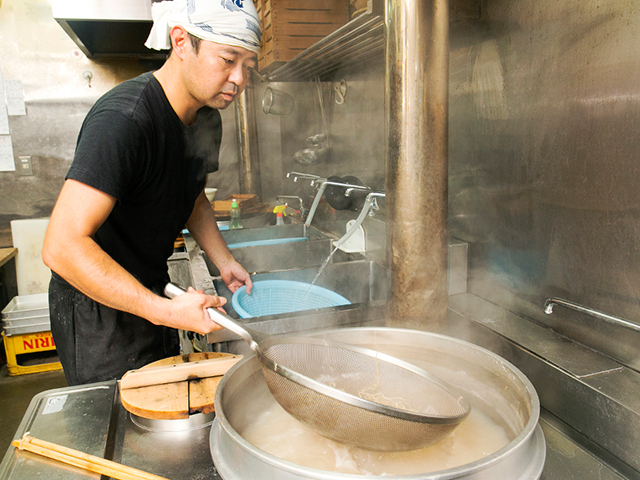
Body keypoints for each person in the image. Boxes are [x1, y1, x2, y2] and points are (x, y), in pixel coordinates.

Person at [42, 0, 260, 386]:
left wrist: (223, 260)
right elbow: (62, 247)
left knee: (162, 414)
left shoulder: (207, 116)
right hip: (99, 312)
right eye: (228, 59)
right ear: (181, 41)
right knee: (124, 424)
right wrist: (164, 311)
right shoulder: (125, 120)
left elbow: (192, 195)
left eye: (248, 64)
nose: (240, 78)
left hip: (151, 292)